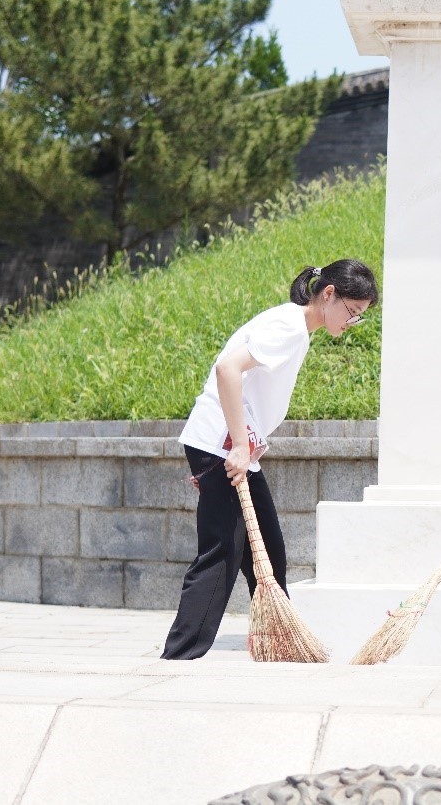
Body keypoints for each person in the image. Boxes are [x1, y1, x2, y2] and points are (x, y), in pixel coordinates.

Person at [162, 259, 378, 660]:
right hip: (223, 448)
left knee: (270, 555)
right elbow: (227, 370)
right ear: (328, 294)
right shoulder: (288, 328)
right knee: (222, 552)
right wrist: (239, 448)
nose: (352, 323)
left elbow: (245, 388)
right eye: (353, 312)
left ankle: (279, 645)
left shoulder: (295, 328)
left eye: (359, 317)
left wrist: (250, 441)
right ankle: (179, 656)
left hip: (230, 448)